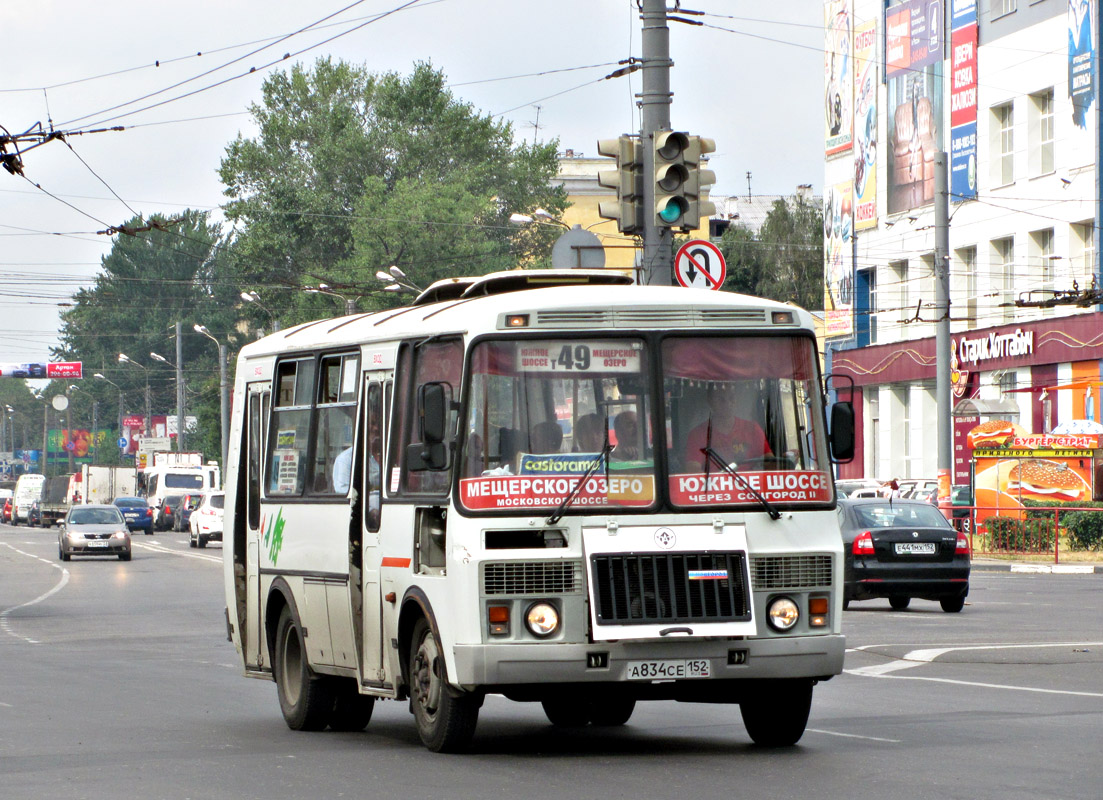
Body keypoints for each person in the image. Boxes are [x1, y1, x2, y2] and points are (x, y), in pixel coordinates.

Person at [683, 382, 772, 472]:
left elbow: (771, 462)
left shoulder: (753, 429)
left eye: (731, 398)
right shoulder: (697, 435)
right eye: (721, 399)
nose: (727, 403)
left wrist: (784, 462)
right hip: (714, 485)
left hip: (749, 486)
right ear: (710, 401)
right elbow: (693, 469)